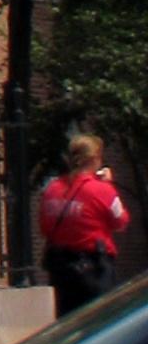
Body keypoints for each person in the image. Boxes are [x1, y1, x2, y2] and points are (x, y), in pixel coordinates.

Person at [39, 132, 131, 316]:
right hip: (94, 269)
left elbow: (44, 226)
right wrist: (108, 185)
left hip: (61, 270)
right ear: (95, 159)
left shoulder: (52, 189)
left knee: (68, 322)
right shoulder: (102, 190)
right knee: (99, 320)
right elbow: (121, 221)